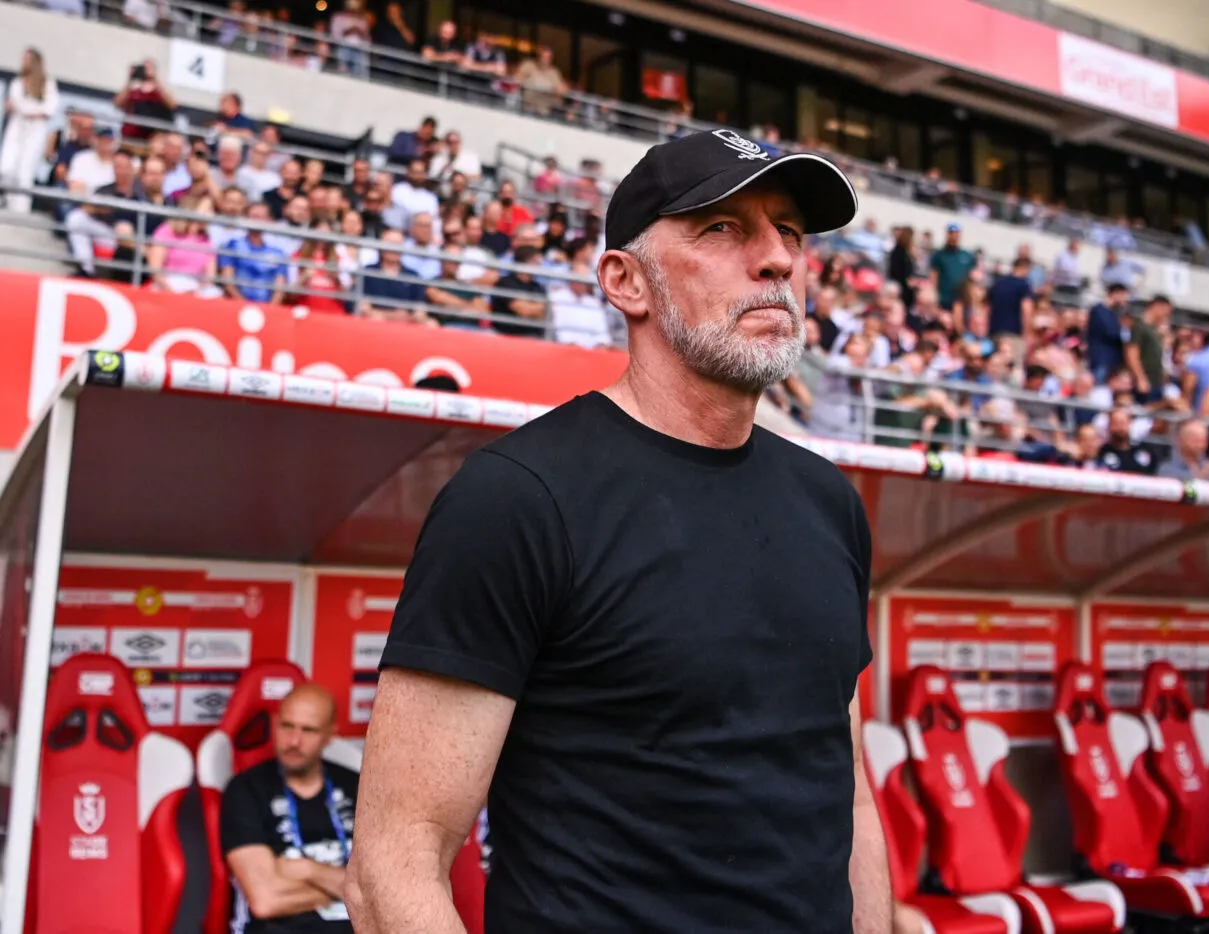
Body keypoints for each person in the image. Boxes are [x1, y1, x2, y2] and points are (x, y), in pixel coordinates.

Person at [347, 128, 890, 933]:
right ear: (625, 281)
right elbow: (394, 864)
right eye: (723, 228)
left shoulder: (828, 501)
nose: (776, 259)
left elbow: (844, 783)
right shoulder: (519, 500)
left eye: (791, 233)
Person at [221, 683, 358, 933]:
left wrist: (307, 870)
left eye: (309, 730)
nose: (294, 741)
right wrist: (344, 889)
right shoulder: (247, 790)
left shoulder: (357, 786)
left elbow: (382, 890)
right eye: (287, 726)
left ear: (330, 735)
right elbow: (266, 901)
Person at [0, 48, 59, 214]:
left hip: (35, 130)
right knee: (6, 166)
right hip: (17, 127)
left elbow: (49, 109)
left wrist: (27, 110)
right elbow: (15, 103)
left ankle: (20, 208)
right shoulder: (18, 82)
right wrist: (29, 110)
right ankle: (7, 201)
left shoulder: (47, 83)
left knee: (26, 168)